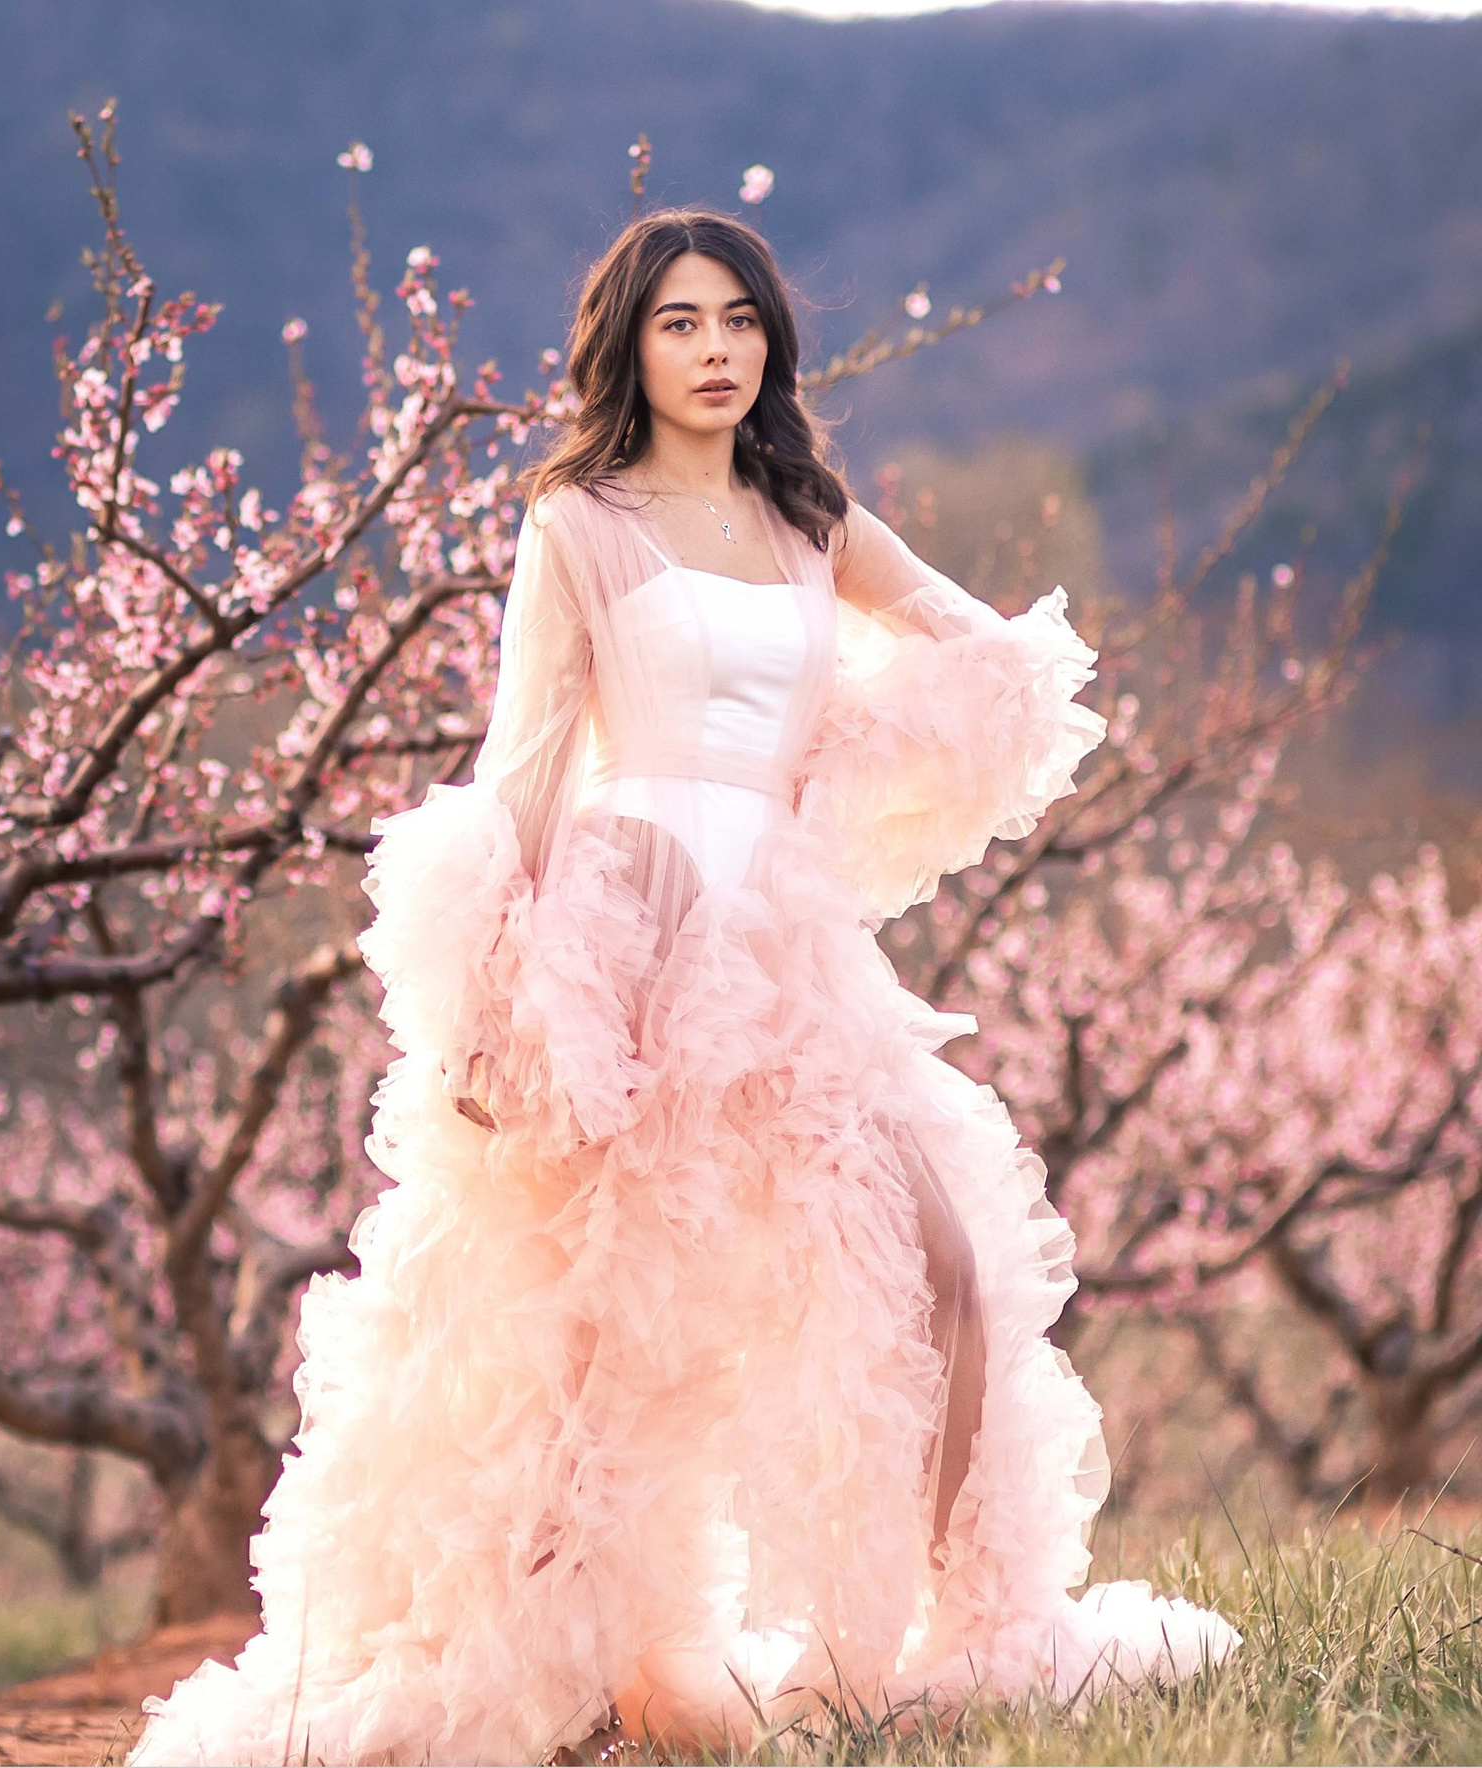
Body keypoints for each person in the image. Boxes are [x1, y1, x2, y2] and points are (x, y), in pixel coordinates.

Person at [128, 209, 1239, 1767]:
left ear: (772, 341)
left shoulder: (811, 520)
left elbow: (987, 653)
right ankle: (547, 1683)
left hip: (780, 955)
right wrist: (494, 1004)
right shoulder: (577, 522)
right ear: (629, 348)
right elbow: (519, 772)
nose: (716, 351)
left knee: (940, 1273)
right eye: (679, 324)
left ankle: (974, 1634)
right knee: (583, 1334)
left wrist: (845, 762)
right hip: (623, 937)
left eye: (738, 321)